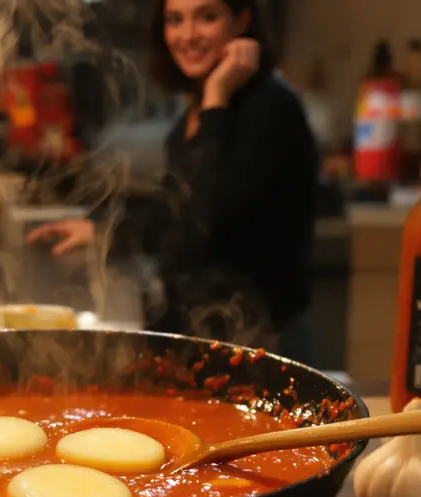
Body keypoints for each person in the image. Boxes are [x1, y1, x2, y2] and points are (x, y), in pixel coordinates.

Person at [26, 0, 319, 362]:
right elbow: (172, 211)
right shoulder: (202, 110)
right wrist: (100, 231)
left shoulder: (269, 107)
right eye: (175, 19)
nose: (187, 35)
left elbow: (204, 216)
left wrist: (215, 97)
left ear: (242, 21)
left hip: (260, 342)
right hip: (207, 334)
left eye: (207, 17)